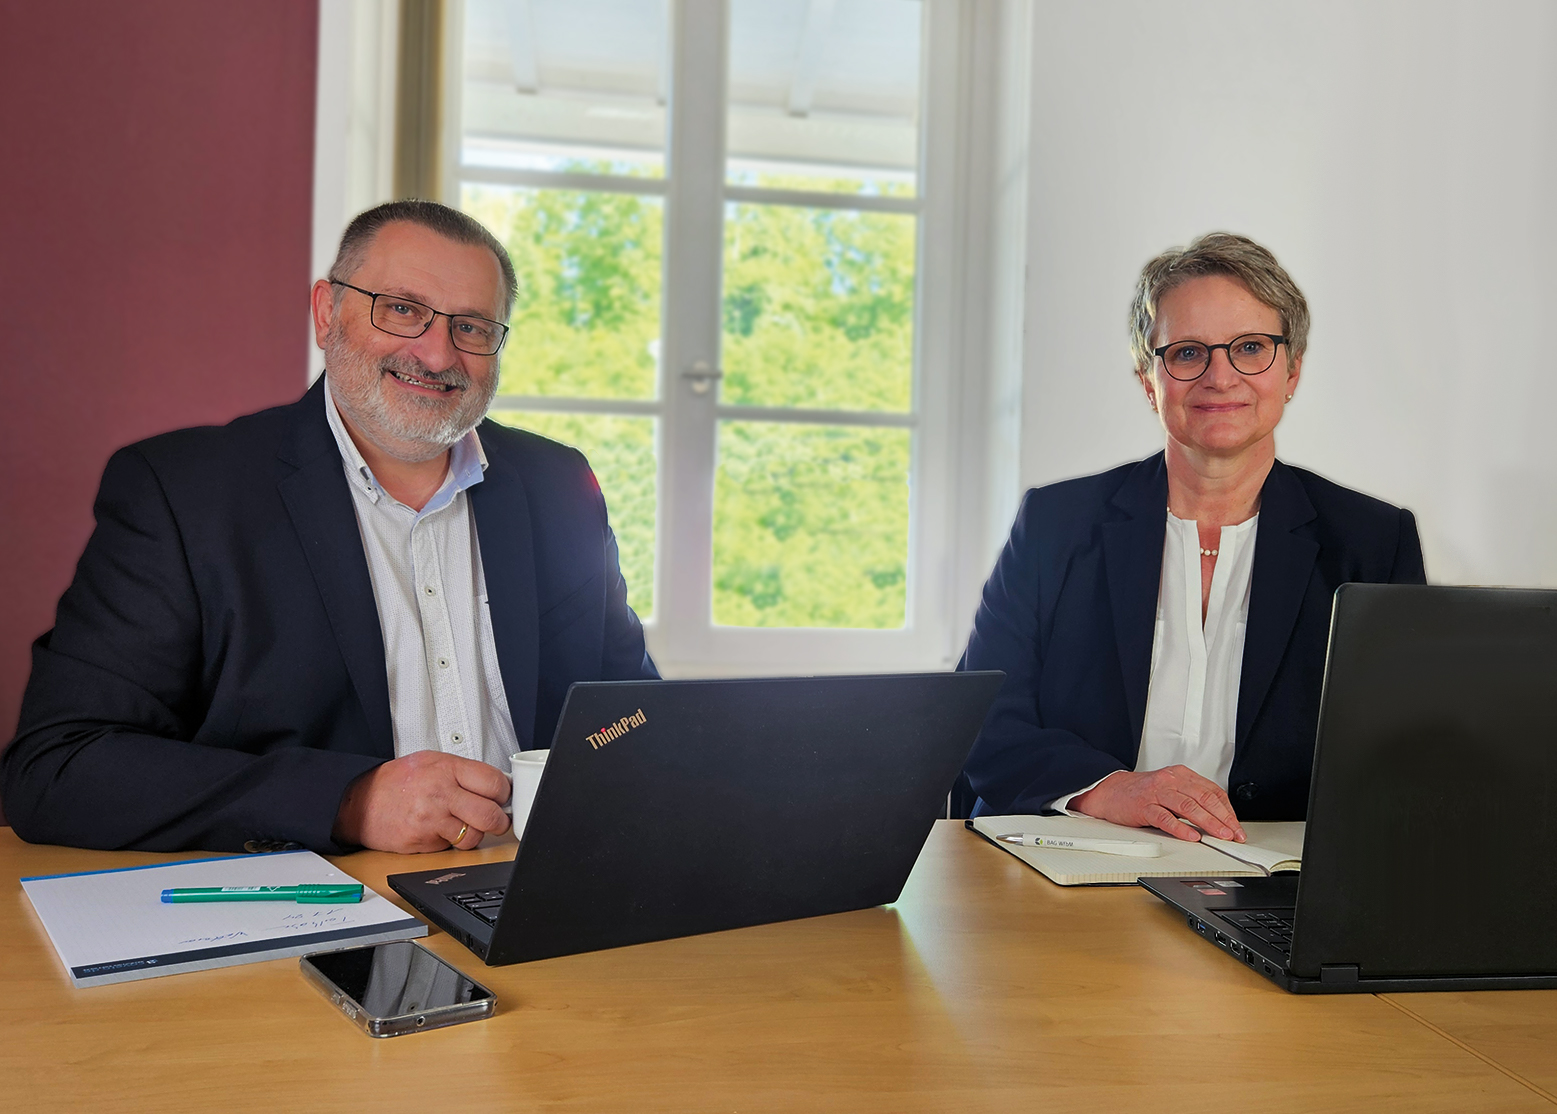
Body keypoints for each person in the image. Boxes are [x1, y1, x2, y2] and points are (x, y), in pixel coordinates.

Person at [2, 200, 656, 854]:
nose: (435, 353)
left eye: (472, 327)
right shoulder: (183, 490)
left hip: (539, 889)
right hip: (318, 908)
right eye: (401, 309)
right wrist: (348, 800)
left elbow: (633, 716)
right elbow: (58, 767)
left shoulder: (558, 485)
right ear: (326, 313)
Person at [959, 232, 1425, 841]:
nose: (1219, 377)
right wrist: (1109, 788)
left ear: (1292, 372)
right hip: (1069, 862)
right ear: (1149, 381)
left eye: (1251, 348)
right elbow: (981, 723)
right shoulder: (1055, 524)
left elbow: (1402, 754)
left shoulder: (1373, 541)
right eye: (1186, 354)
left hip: (1274, 881)